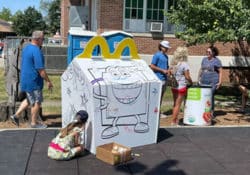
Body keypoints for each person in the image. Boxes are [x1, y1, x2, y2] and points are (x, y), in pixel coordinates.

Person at [10, 30, 53, 128]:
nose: (43, 40)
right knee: (37, 102)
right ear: (37, 39)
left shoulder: (26, 48)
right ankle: (34, 123)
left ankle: (16, 115)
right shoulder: (36, 50)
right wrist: (48, 81)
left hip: (25, 79)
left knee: (30, 99)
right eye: (43, 39)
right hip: (34, 81)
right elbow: (40, 69)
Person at [170, 46, 192, 125]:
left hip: (174, 86)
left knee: (175, 104)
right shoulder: (184, 64)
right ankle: (173, 121)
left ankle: (174, 120)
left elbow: (169, 73)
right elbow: (187, 76)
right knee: (178, 105)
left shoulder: (173, 63)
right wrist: (191, 82)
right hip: (181, 86)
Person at [198, 46, 222, 118]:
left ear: (213, 53)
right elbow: (201, 69)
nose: (207, 53)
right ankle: (203, 111)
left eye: (209, 52)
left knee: (210, 96)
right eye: (206, 52)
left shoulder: (217, 61)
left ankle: (211, 112)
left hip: (213, 81)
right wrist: (198, 78)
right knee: (204, 96)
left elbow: (220, 72)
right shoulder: (204, 59)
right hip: (204, 81)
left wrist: (220, 82)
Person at [150, 40, 171, 106]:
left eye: (167, 48)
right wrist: (162, 70)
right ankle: (155, 111)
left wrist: (169, 71)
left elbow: (167, 67)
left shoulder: (166, 56)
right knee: (156, 96)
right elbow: (152, 66)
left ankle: (159, 112)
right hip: (158, 78)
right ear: (161, 47)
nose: (167, 49)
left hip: (164, 79)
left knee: (161, 96)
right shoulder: (157, 55)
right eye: (165, 47)